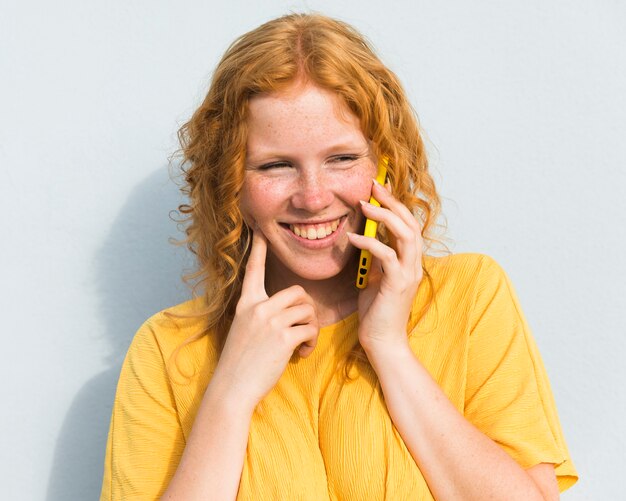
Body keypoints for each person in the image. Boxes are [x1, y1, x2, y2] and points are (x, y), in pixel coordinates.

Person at [100, 13, 577, 500]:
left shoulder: (470, 296)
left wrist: (389, 347)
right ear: (231, 184)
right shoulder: (168, 349)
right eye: (275, 165)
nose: (312, 197)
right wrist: (230, 395)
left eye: (342, 159)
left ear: (386, 163)